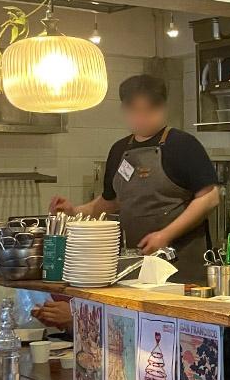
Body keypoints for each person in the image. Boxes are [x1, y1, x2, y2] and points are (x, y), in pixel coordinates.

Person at [49, 75, 220, 284]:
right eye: (135, 111)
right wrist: (74, 211)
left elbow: (210, 198)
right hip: (133, 266)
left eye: (148, 111)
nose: (141, 118)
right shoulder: (119, 150)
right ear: (124, 110)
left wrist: (165, 235)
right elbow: (110, 202)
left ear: (162, 108)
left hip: (181, 266)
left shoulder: (182, 145)